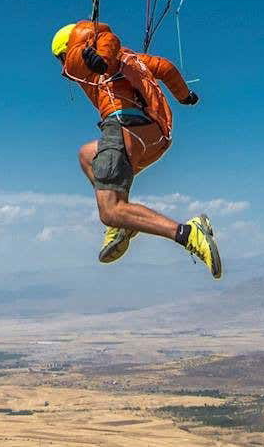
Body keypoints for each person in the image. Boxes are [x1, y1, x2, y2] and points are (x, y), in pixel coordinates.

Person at [52, 20, 221, 278]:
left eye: (61, 59)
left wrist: (97, 59)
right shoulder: (131, 58)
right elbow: (164, 68)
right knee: (87, 155)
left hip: (122, 126)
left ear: (69, 50)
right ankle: (122, 225)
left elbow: (108, 42)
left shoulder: (97, 58)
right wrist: (185, 96)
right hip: (153, 137)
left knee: (110, 210)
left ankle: (187, 233)